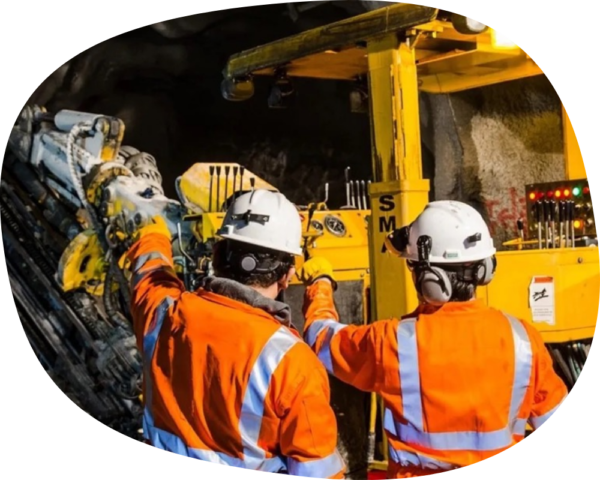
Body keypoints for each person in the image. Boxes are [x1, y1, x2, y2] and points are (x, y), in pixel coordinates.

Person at [297, 200, 568, 479]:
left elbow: (321, 338)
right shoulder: (523, 339)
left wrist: (321, 283)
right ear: (484, 269)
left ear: (429, 278)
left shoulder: (391, 341)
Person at [125, 188, 345, 478]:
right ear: (287, 275)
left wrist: (151, 234)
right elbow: (319, 472)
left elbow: (150, 275)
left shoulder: (165, 316)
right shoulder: (293, 364)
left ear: (217, 255)